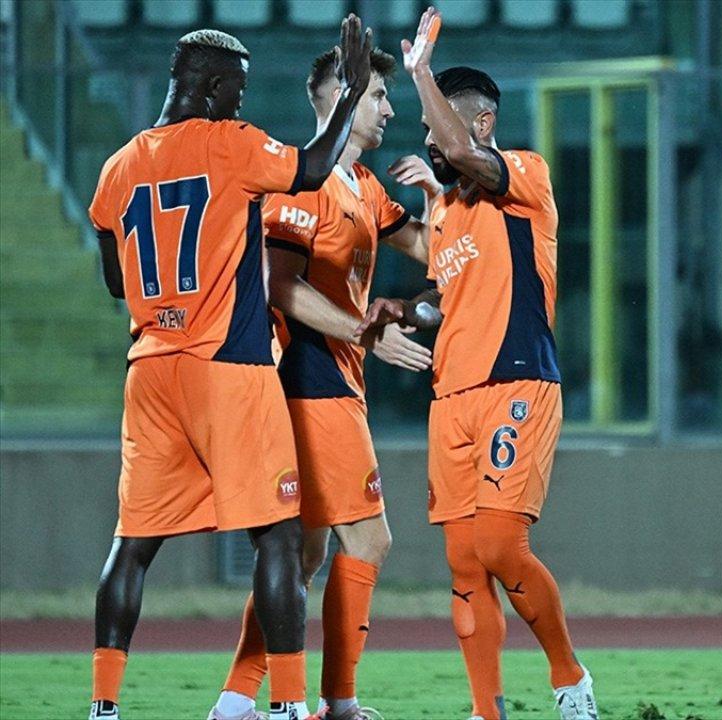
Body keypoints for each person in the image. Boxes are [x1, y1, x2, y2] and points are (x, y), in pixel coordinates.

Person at [86, 18, 372, 720]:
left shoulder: (118, 166)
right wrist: (350, 94)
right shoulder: (229, 144)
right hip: (228, 365)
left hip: (152, 369)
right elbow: (311, 169)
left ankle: (103, 706)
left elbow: (116, 281)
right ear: (212, 86)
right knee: (278, 535)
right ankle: (286, 706)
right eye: (236, 90)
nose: (240, 102)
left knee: (132, 545)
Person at [356, 8, 596, 720]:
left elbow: (463, 154)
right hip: (451, 398)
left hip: (517, 381)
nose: (428, 139)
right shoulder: (448, 214)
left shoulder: (524, 175)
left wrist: (421, 72)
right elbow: (446, 297)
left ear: (481, 122)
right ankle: (486, 711)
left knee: (499, 542)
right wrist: (405, 310)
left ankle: (569, 678)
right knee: (464, 565)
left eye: (438, 126)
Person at [208, 47, 437, 720]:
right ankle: (338, 702)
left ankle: (234, 702)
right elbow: (280, 286)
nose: (389, 109)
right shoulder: (300, 185)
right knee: (368, 540)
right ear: (337, 100)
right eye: (376, 96)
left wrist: (436, 192)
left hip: (336, 377)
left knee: (303, 552)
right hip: (308, 379)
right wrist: (365, 332)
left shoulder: (363, 185)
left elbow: (433, 247)